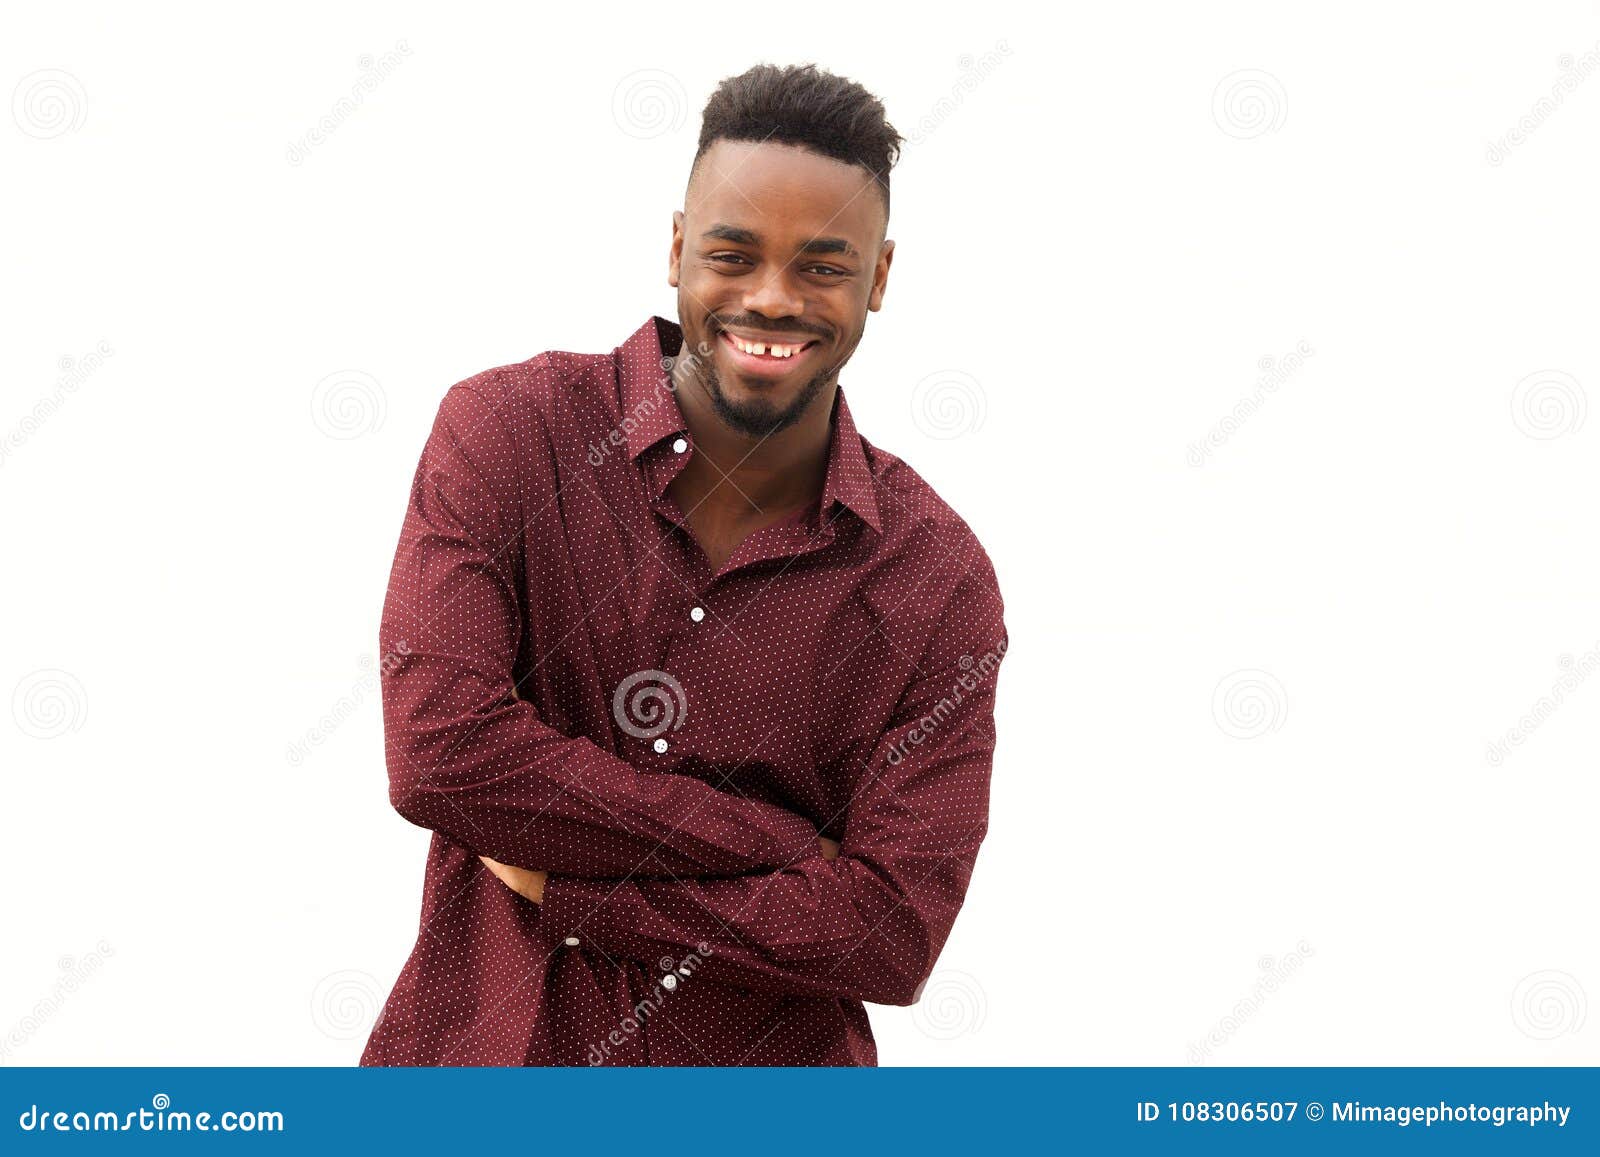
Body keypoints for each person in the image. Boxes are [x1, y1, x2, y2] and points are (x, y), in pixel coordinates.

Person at [361, 62, 1008, 1067]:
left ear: (879, 276)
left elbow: (888, 931)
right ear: (675, 249)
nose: (770, 299)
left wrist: (579, 888)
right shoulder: (508, 435)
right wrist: (781, 844)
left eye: (823, 266)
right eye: (733, 253)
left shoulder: (935, 578)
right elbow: (443, 752)